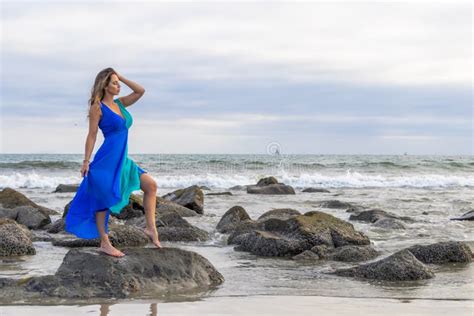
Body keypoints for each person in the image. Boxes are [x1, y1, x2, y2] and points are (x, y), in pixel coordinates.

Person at [65, 67, 162, 257]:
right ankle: (104, 242)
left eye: (118, 83)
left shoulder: (121, 104)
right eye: (114, 83)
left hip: (122, 160)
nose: (118, 86)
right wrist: (86, 161)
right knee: (103, 199)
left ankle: (151, 229)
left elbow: (140, 91)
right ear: (105, 85)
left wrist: (121, 76)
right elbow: (92, 135)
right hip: (107, 159)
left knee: (150, 186)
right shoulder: (98, 107)